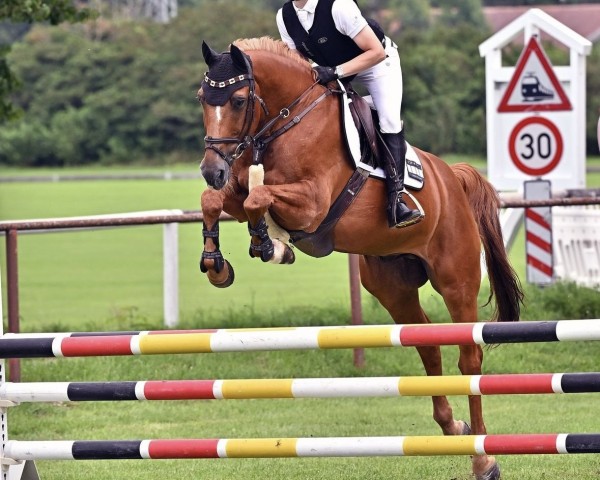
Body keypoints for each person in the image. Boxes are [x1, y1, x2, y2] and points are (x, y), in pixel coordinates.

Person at [276, 0, 423, 228]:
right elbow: (300, 63)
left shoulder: (339, 6)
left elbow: (376, 52)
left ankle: (397, 201)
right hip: (334, 70)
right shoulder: (284, 17)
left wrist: (336, 72)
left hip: (376, 64)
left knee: (389, 120)